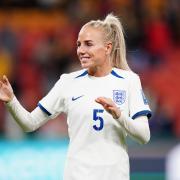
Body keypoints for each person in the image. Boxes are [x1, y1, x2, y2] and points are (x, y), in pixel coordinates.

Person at [0, 14, 151, 180]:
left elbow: (144, 136)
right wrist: (11, 101)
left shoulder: (129, 80)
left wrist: (119, 115)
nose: (81, 50)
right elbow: (30, 123)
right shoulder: (68, 82)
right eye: (79, 44)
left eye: (88, 44)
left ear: (108, 48)